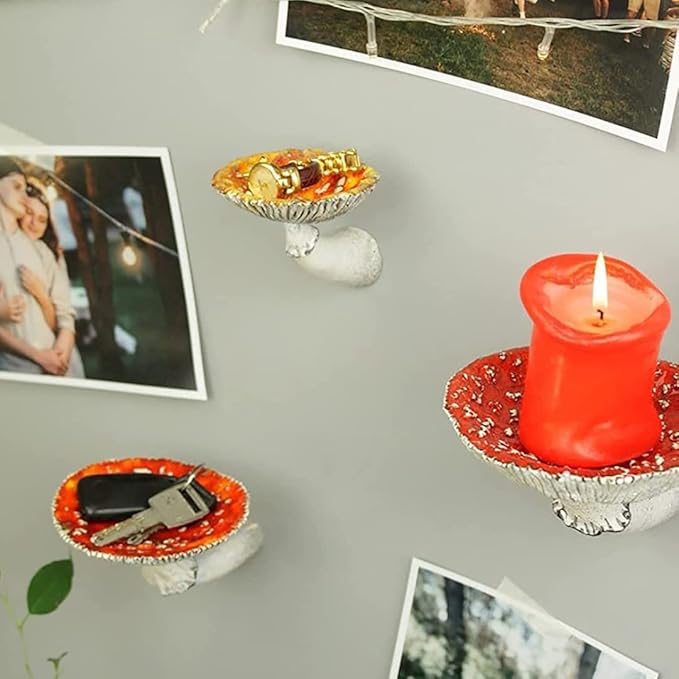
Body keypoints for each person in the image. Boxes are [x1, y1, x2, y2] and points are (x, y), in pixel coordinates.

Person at [0, 158, 67, 375]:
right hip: (15, 370)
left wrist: (56, 357)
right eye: (16, 186)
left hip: (56, 366)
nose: (25, 196)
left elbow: (58, 319)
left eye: (25, 188)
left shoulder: (41, 250)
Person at [20, 179, 84, 377]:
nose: (34, 223)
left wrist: (60, 358)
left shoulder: (51, 254)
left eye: (42, 219)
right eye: (29, 213)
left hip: (59, 347)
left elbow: (64, 319)